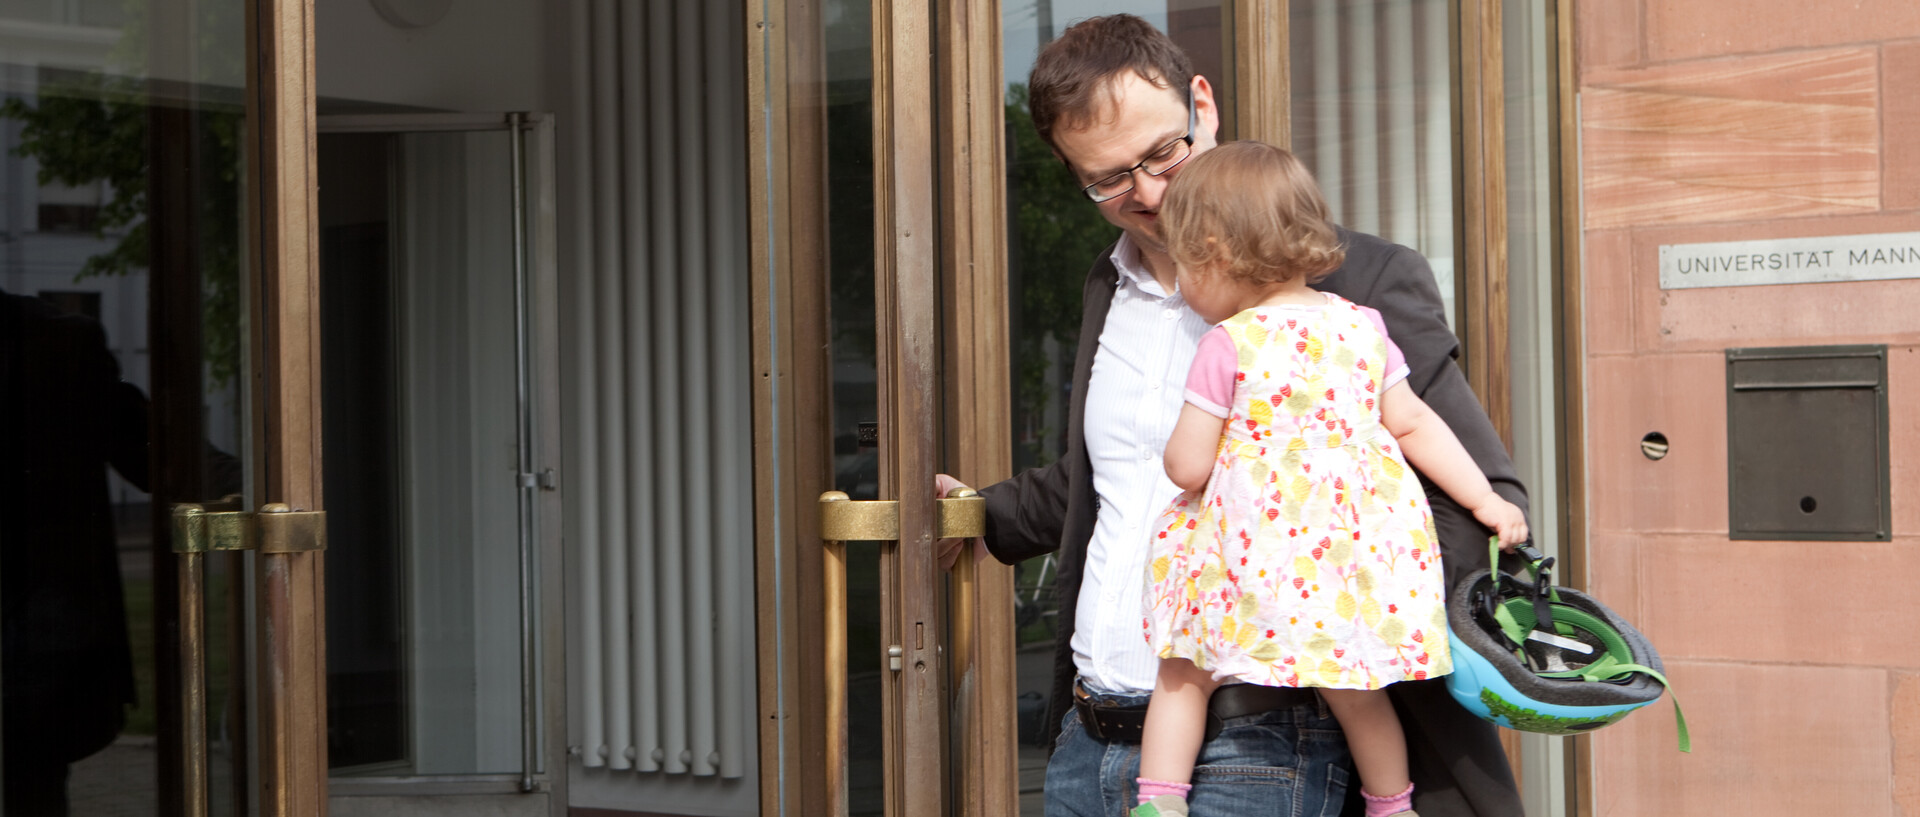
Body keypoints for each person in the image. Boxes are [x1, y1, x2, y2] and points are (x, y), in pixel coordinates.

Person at [938, 13, 1531, 817]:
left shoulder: (1358, 284)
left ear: (1203, 106)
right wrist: (978, 511)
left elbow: (1478, 500)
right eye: (1109, 179)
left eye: (1161, 154)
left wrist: (1319, 575)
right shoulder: (1108, 288)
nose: (1148, 194)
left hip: (1268, 744)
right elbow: (1117, 471)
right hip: (1090, 744)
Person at [1125, 141, 1528, 817]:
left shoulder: (1227, 344)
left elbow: (1188, 466)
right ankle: (1391, 804)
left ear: (1218, 253)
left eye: (1185, 263)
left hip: (1252, 564)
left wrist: (1181, 453)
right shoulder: (1361, 327)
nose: (1184, 284)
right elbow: (1416, 424)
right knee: (1356, 686)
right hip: (1339, 567)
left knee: (1183, 670)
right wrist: (1486, 497)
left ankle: (1159, 801)